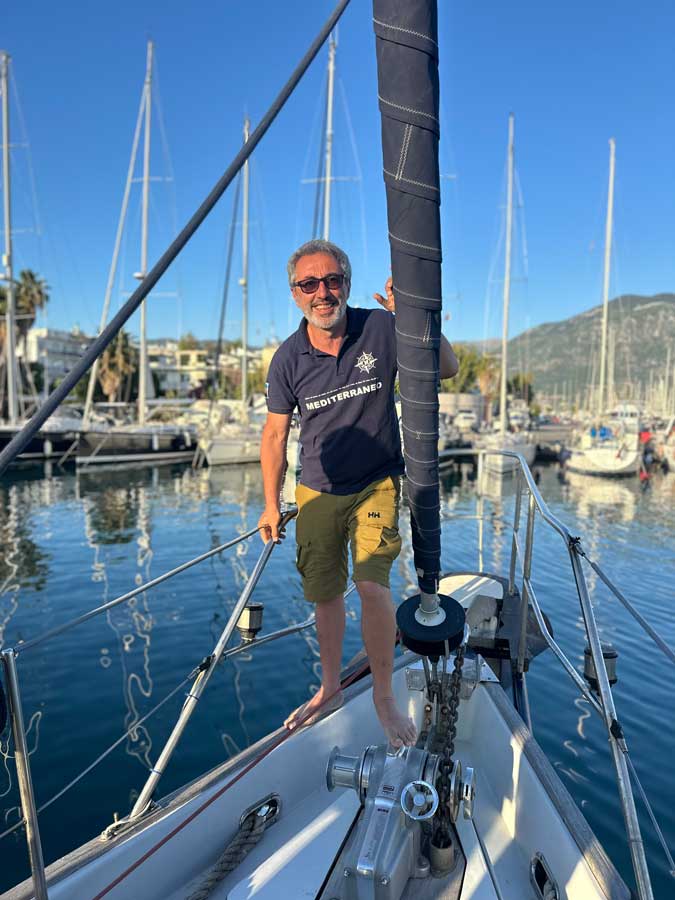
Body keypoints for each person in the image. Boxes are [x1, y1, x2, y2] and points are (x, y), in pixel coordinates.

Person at [258, 239, 458, 748]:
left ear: (346, 284)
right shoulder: (287, 360)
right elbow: (275, 435)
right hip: (316, 490)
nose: (322, 293)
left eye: (332, 280)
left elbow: (447, 367)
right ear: (295, 293)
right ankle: (330, 687)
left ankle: (383, 696)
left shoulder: (381, 329)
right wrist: (270, 504)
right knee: (324, 594)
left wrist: (410, 316)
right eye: (309, 284)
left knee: (372, 585)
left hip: (376, 482)